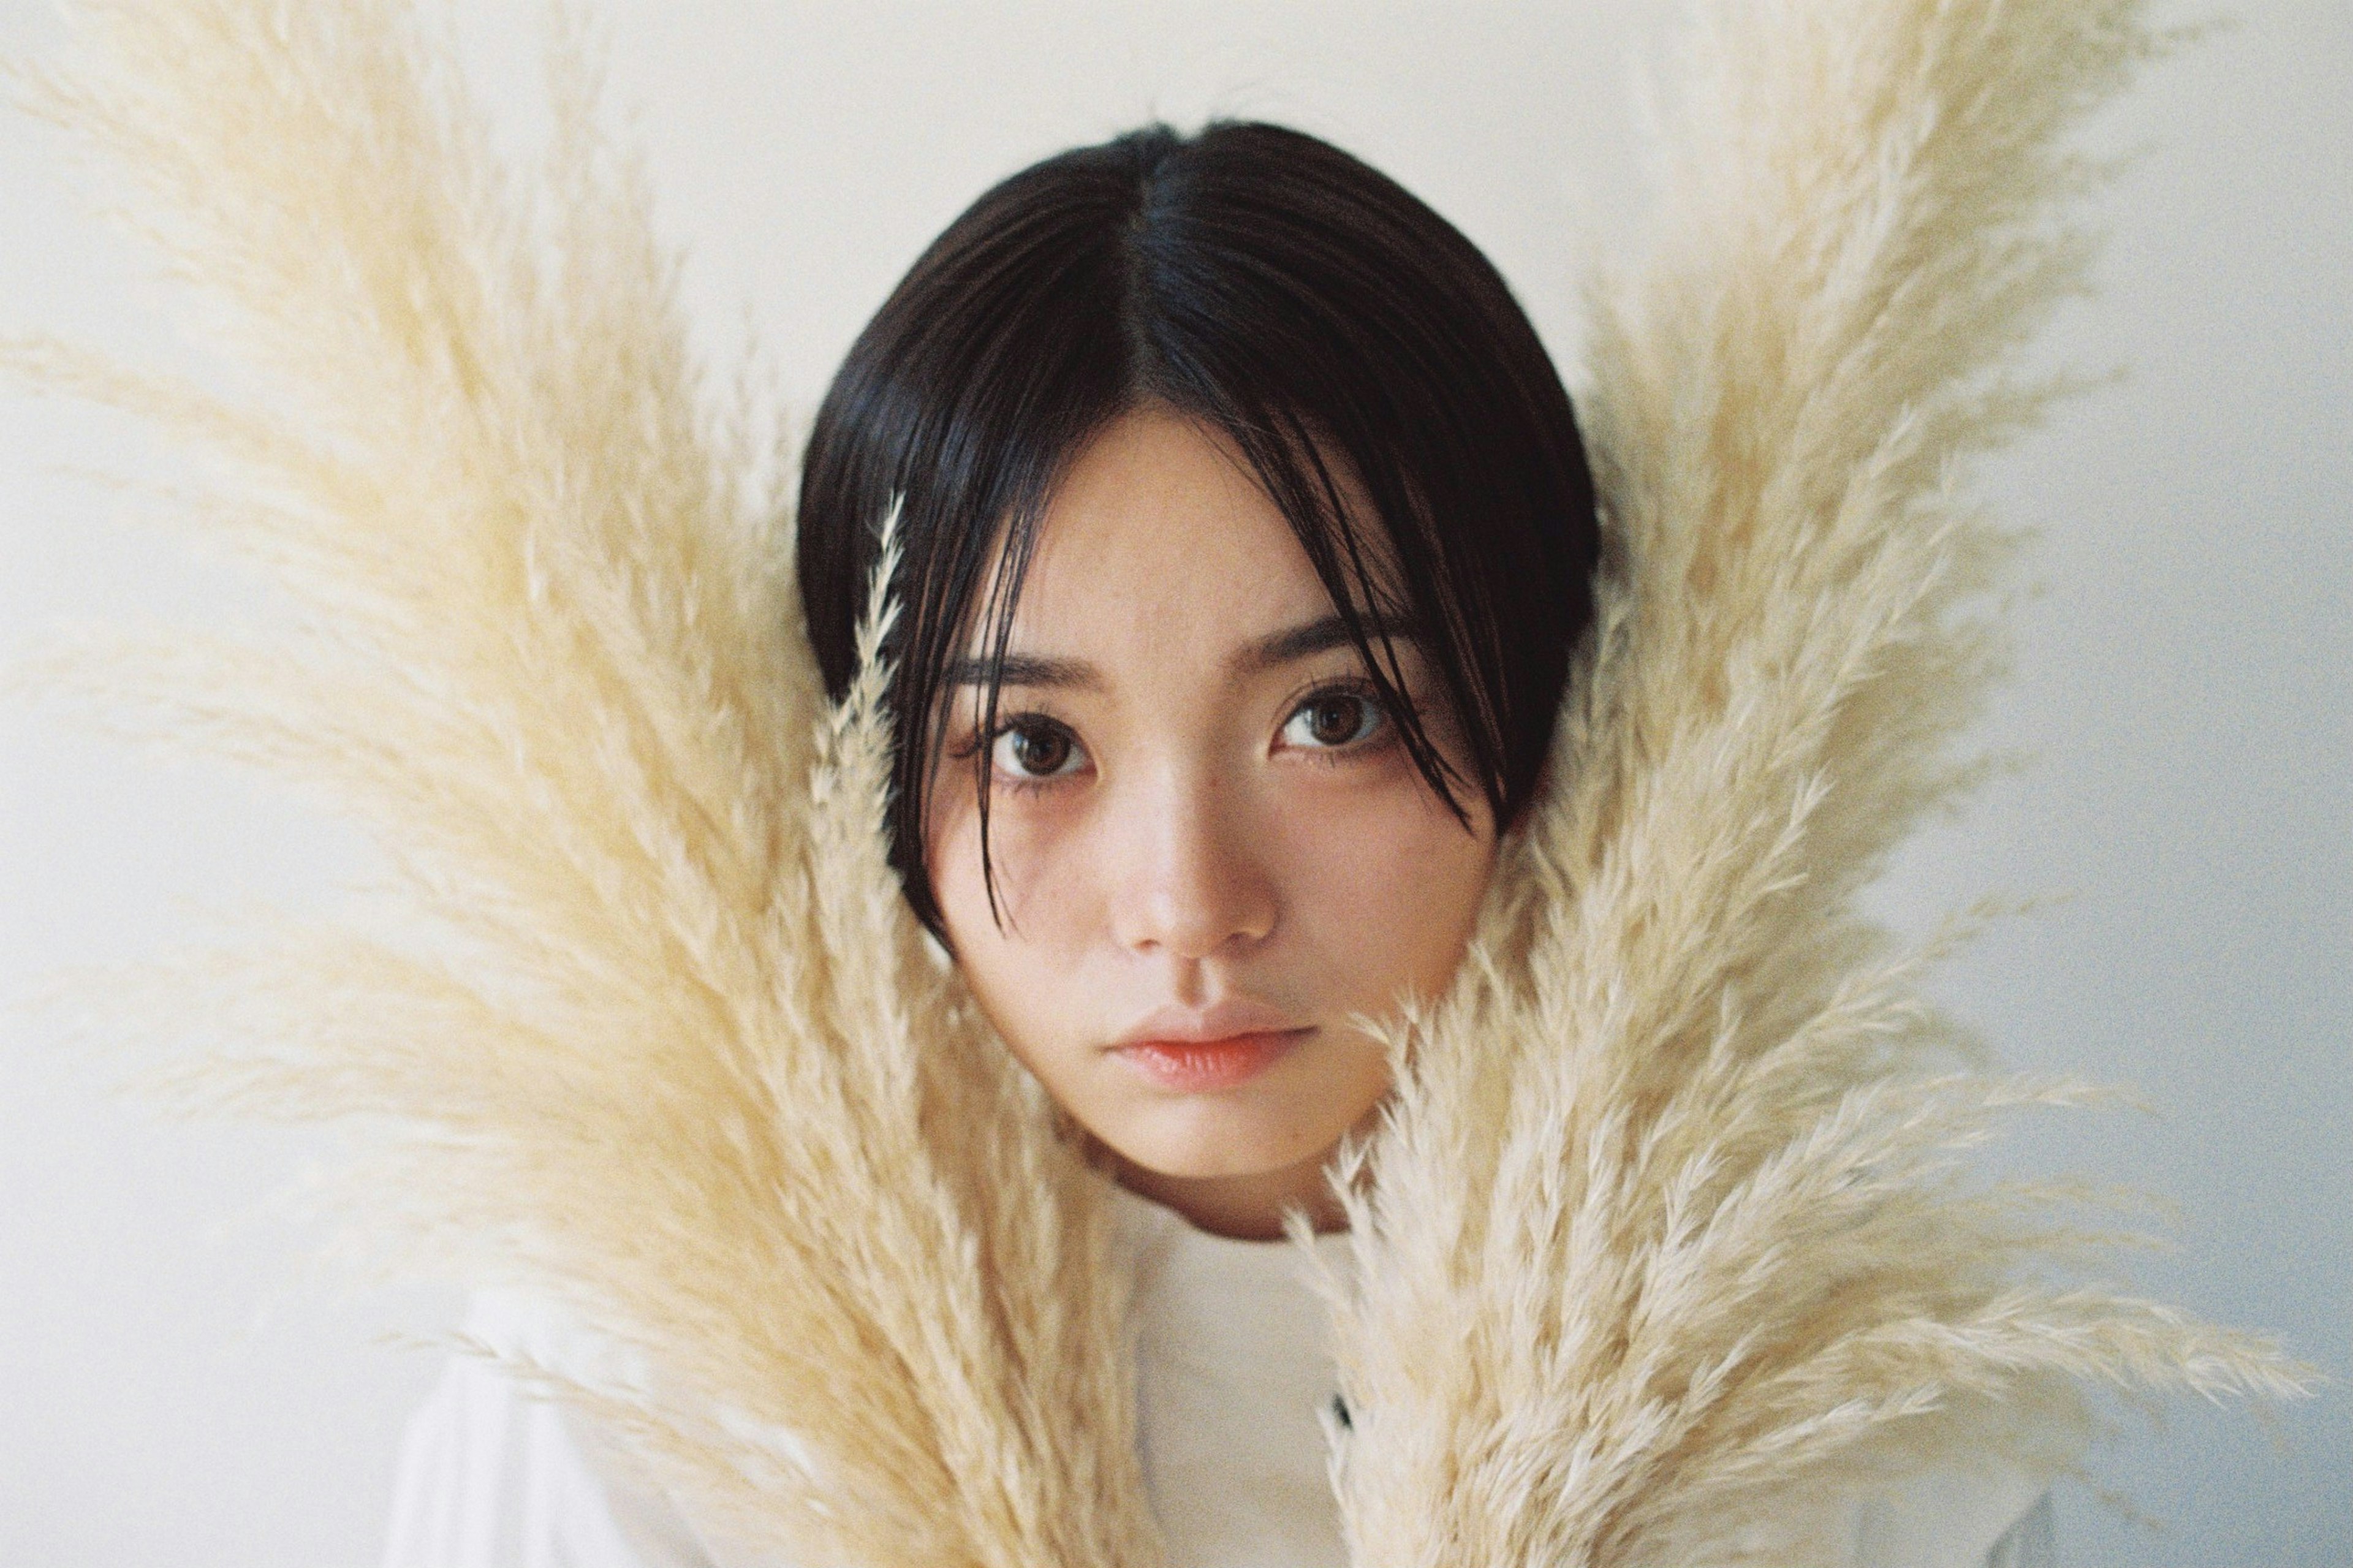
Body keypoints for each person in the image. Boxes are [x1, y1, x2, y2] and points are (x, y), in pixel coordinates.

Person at [381, 120, 2058, 1568]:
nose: (1190, 906)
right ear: (873, 789)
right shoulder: (650, 1380)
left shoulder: (1819, 1355)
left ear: (1549, 714)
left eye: (1334, 719)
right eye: (1034, 747)